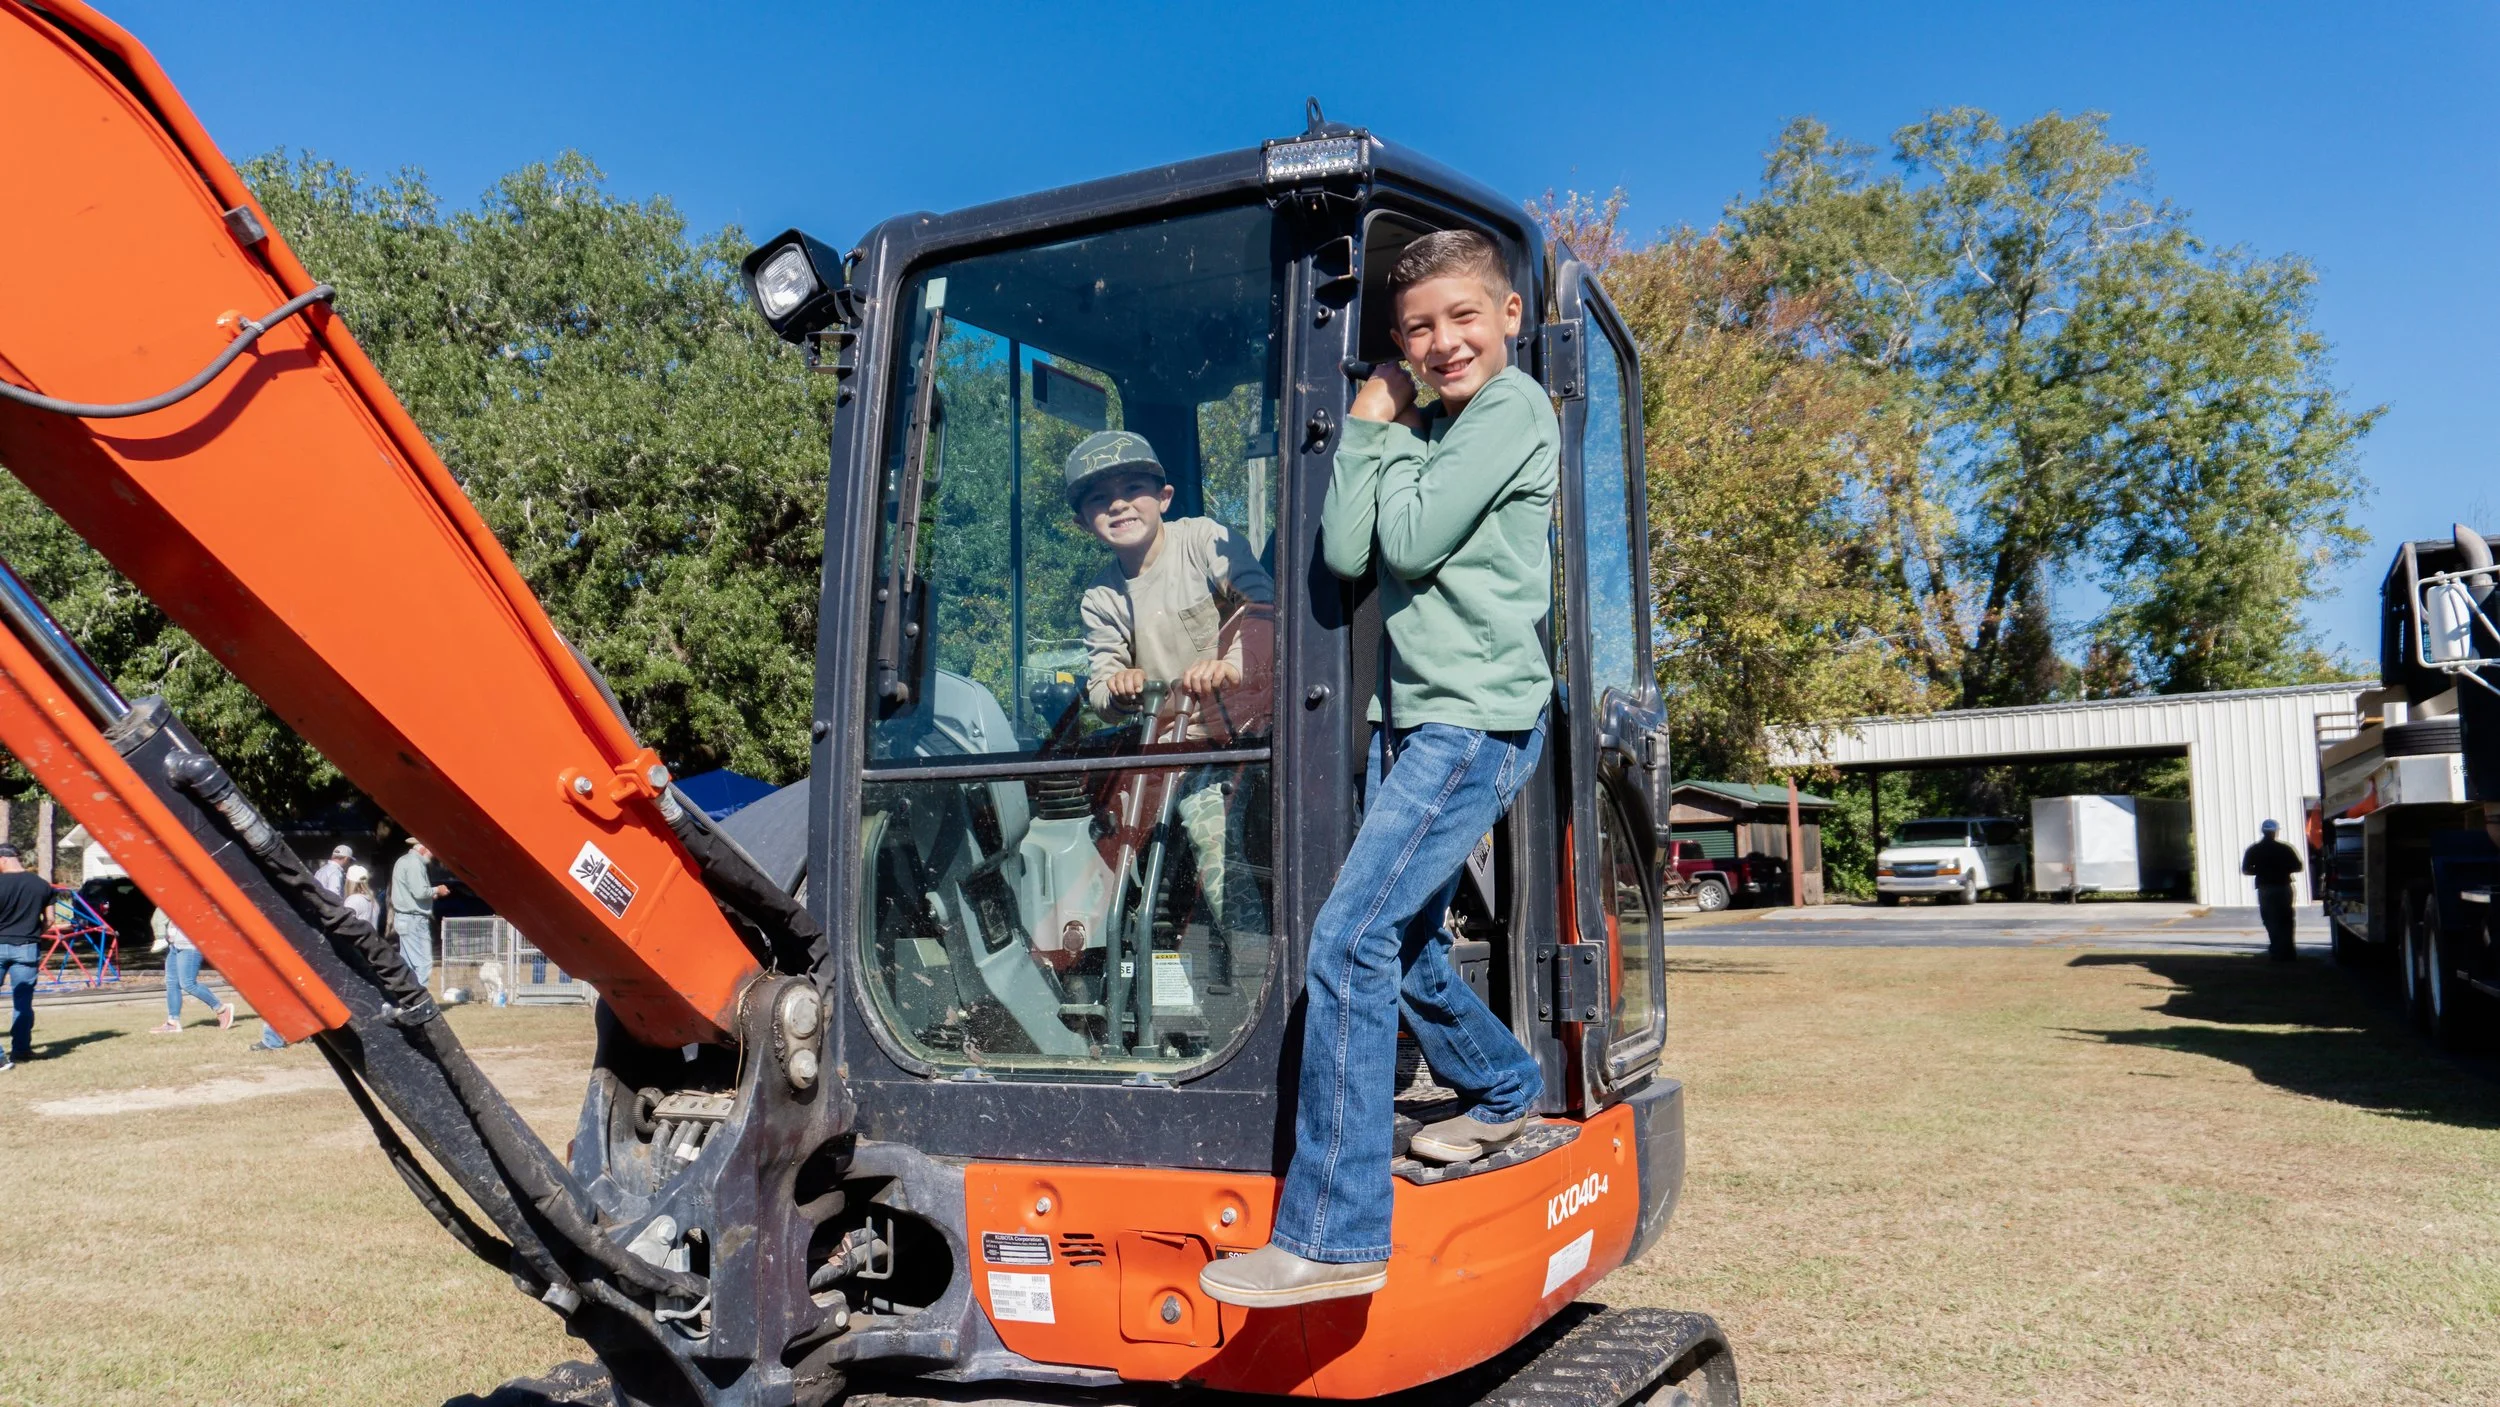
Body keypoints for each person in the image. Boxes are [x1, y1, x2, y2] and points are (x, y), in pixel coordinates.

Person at [1202, 229, 1557, 1309]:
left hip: (1472, 724)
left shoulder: (1512, 410)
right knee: (1399, 948)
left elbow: (1401, 541)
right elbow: (1349, 551)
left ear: (1506, 315)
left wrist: (1374, 428)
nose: (1443, 342)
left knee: (1348, 942)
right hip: (1415, 726)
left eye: (1462, 317)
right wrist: (1377, 433)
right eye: (1417, 329)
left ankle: (1338, 1230)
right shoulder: (1439, 429)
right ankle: (1501, 1085)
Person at [1069, 429, 1277, 949]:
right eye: (1098, 498)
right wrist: (1118, 689)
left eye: (1133, 487)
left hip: (1243, 737)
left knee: (1214, 839)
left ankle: (1253, 955)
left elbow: (1263, 610)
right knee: (1091, 847)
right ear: (1082, 521)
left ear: (1164, 498)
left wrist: (1229, 665)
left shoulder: (1203, 542)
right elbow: (1101, 687)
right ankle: (1107, 961)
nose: (1118, 503)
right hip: (1165, 751)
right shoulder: (1101, 596)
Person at [0, 843, 53, 1071]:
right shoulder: (41, 885)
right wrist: (34, 933)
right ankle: (21, 1049)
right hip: (27, 947)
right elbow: (49, 919)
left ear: (2, 859)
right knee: (22, 1002)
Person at [150, 907, 235, 1033]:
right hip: (173, 944)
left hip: (190, 944)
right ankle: (173, 1022)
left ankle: (222, 1009)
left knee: (188, 983)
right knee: (172, 983)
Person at [2243, 819, 2305, 961]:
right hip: (2283, 887)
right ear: (2275, 831)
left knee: (2270, 919)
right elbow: (2298, 867)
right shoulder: (2285, 849)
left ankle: (2276, 950)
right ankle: (2289, 952)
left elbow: (2246, 870)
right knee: (2286, 918)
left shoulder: (2254, 849)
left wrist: (2261, 871)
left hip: (2265, 888)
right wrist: (2283, 869)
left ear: (2263, 831)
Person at [391, 839, 448, 988]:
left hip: (404, 918)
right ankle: (421, 999)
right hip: (414, 919)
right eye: (431, 852)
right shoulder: (415, 863)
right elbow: (420, 891)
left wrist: (430, 895)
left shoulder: (402, 860)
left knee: (408, 963)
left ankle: (405, 998)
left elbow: (411, 891)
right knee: (424, 962)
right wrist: (437, 890)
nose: (432, 856)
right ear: (423, 849)